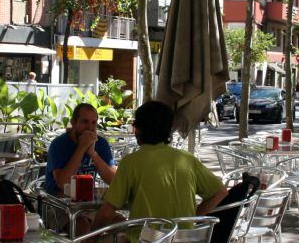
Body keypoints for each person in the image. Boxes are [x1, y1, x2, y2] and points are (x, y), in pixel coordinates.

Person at [93, 100, 228, 235]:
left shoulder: (130, 163)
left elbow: (106, 214)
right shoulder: (187, 160)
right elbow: (220, 192)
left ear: (138, 129)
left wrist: (88, 238)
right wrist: (192, 218)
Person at [44, 103, 116, 195]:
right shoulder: (59, 144)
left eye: (93, 122)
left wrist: (93, 153)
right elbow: (64, 184)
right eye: (85, 122)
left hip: (85, 200)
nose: (90, 128)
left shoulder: (101, 143)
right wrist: (81, 148)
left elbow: (114, 181)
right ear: (73, 122)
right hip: (58, 202)